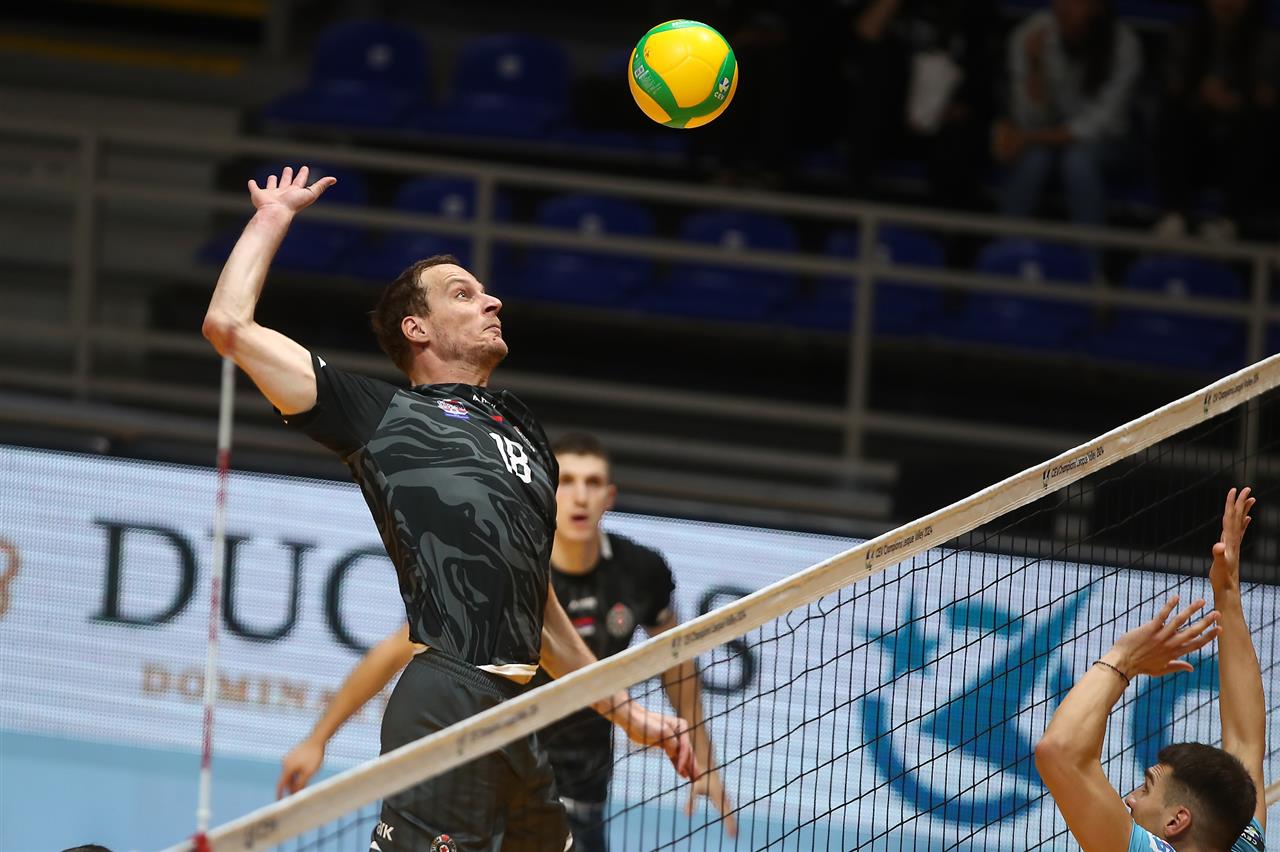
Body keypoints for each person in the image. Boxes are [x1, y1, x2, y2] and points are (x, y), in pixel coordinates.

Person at [202, 166, 695, 852]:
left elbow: (539, 613)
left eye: (486, 291)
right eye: (464, 294)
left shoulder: (525, 434)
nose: (492, 301)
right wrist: (273, 218)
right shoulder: (380, 415)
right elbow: (227, 325)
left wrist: (628, 712)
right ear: (417, 328)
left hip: (521, 715)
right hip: (447, 698)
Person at [278, 432, 738, 851]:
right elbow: (396, 650)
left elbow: (677, 665)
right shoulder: (502, 565)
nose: (580, 496)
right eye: (567, 481)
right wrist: (317, 739)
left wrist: (705, 759)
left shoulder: (641, 571)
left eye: (593, 482)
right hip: (488, 775)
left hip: (580, 790)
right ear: (545, 491)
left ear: (609, 496)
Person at [1036, 487, 1267, 851]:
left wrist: (1124, 659)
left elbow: (1058, 751)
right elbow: (1245, 741)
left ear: (1176, 821)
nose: (1130, 798)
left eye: (1146, 788)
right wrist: (1226, 590)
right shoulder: (1239, 842)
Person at [995, 0, 1141, 227]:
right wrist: (1035, 66)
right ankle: (1008, 243)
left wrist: (1027, 138)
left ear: (1098, 6)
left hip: (1107, 143)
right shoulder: (1032, 34)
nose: (1063, 7)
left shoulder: (1124, 44)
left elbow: (1100, 124)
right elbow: (1029, 120)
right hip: (1044, 137)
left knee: (1078, 161)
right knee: (1034, 159)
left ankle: (1090, 248)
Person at [1152, 0, 1280, 242]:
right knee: (1172, 115)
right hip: (1196, 142)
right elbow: (1173, 83)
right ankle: (1174, 215)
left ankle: (1230, 221)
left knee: (1263, 124)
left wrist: (1237, 99)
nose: (1227, 3)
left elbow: (1269, 96)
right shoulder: (1186, 33)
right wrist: (1202, 90)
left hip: (1245, 145)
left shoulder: (1270, 41)